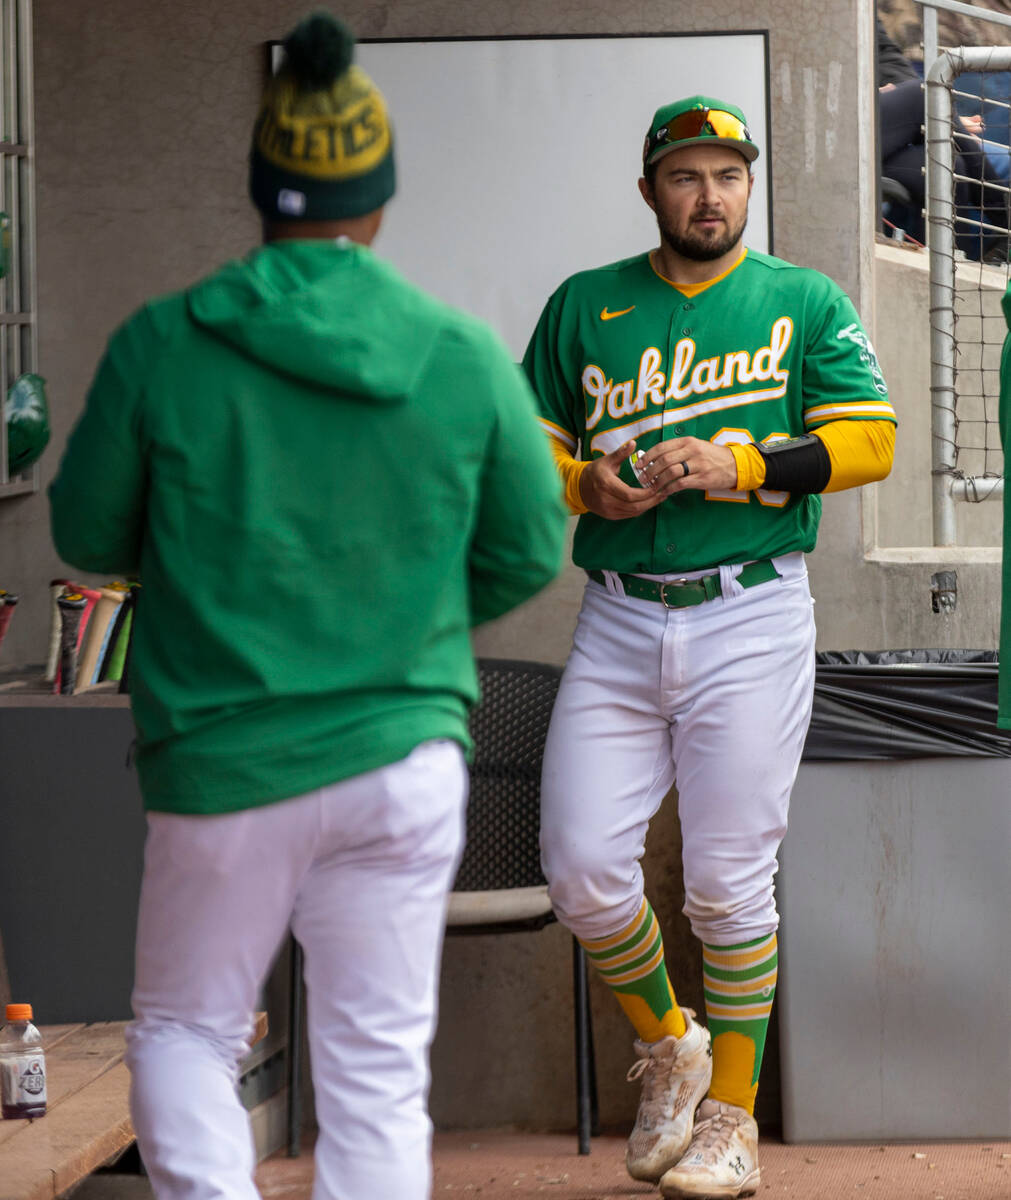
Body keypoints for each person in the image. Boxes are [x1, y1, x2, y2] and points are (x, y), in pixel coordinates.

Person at [48, 13, 566, 1200]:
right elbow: (532, 546)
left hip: (224, 761)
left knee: (186, 1032)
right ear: (376, 203)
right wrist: (415, 617)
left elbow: (86, 534)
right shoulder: (460, 352)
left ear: (259, 190)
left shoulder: (165, 346)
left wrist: (202, 579)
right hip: (404, 755)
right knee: (378, 1075)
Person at [522, 97, 897, 1199]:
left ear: (748, 185)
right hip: (622, 609)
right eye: (686, 174)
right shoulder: (585, 306)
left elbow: (870, 437)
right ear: (650, 190)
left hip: (751, 610)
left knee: (730, 886)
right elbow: (526, 443)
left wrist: (747, 466)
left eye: (728, 173)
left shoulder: (802, 300)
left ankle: (731, 1119)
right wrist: (584, 481)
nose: (710, 193)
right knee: (583, 868)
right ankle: (672, 1044)